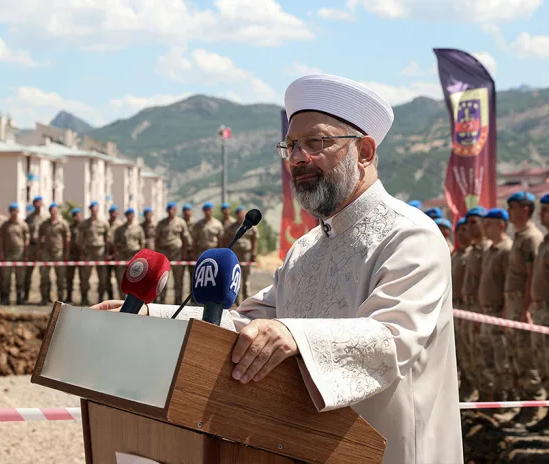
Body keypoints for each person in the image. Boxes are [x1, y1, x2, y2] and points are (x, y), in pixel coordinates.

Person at [95, 74, 463, 463]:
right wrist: (151, 317)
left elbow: (392, 339)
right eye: (291, 146)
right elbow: (248, 323)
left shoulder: (410, 236)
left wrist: (295, 335)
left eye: (316, 143)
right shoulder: (305, 249)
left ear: (366, 152)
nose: (299, 157)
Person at [505, 191, 546, 426]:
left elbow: (531, 277)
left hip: (524, 304)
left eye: (513, 208)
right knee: (516, 357)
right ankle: (525, 406)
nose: (510, 212)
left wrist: (525, 308)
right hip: (514, 304)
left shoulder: (531, 238)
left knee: (529, 358)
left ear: (524, 210)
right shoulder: (520, 237)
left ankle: (535, 407)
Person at [477, 208, 513, 405]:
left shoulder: (507, 249)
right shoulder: (491, 250)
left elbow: (509, 283)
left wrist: (506, 312)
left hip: (499, 312)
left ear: (501, 225)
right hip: (487, 313)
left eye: (489, 223)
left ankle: (506, 399)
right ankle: (494, 398)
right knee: (489, 358)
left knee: (502, 360)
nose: (485, 227)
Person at [460, 206, 492, 401]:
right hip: (467, 307)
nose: (469, 227)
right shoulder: (472, 251)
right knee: (471, 355)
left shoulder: (488, 249)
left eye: (474, 222)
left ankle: (491, 395)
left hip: (481, 308)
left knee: (485, 354)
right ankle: (481, 392)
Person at [527, 193, 549, 432]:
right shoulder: (544, 242)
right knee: (543, 363)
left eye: (546, 210)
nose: (542, 215)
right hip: (541, 309)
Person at [451, 217, 472, 400]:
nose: (463, 233)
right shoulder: (457, 255)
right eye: (460, 230)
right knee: (465, 354)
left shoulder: (473, 253)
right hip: (458, 308)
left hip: (474, 308)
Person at [155, 202, 191, 304]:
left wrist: (184, 253)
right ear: (167, 210)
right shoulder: (161, 223)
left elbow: (185, 239)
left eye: (173, 209)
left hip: (177, 254)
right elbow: (157, 240)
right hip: (164, 253)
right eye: (169, 209)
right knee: (162, 279)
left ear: (176, 210)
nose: (171, 211)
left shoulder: (181, 222)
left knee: (178, 279)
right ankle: (161, 301)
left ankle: (178, 301)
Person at [222, 206, 259, 303]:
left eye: (242, 213)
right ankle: (236, 300)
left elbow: (254, 240)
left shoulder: (251, 227)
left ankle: (246, 299)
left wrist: (254, 254)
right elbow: (225, 238)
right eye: (238, 213)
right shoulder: (232, 226)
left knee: (246, 278)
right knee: (235, 276)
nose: (240, 215)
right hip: (235, 254)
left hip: (246, 255)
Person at [37, 203, 70, 304]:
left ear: (57, 211)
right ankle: (45, 298)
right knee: (44, 276)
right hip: (46, 253)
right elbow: (39, 237)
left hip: (58, 253)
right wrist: (39, 251)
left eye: (55, 210)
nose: (53, 212)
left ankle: (60, 298)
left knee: (60, 277)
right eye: (51, 210)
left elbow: (67, 238)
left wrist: (66, 252)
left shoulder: (63, 223)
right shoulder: (44, 223)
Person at [77, 201, 110, 306]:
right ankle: (84, 297)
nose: (94, 211)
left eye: (96, 209)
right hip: (88, 252)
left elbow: (108, 239)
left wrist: (107, 253)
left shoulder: (104, 223)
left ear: (98, 210)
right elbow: (80, 239)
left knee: (102, 276)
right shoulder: (84, 224)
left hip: (100, 252)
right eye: (92, 210)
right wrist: (82, 252)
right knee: (85, 276)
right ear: (90, 210)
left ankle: (101, 298)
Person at [0, 203, 30, 305]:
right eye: (12, 210)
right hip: (8, 253)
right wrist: (1, 253)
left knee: (19, 278)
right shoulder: (5, 225)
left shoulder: (23, 225)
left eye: (16, 210)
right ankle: (5, 298)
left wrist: (26, 254)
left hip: (19, 253)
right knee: (6, 278)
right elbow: (1, 240)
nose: (14, 212)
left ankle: (19, 297)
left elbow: (26, 241)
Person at [113, 208, 146, 292]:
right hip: (122, 255)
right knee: (121, 277)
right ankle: (122, 297)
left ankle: (133, 297)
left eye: (132, 214)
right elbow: (115, 243)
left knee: (135, 276)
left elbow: (142, 242)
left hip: (134, 255)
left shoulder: (138, 228)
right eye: (128, 214)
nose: (130, 216)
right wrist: (116, 254)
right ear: (126, 216)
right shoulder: (120, 229)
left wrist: (141, 255)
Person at [24, 196, 47, 302]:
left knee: (44, 274)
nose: (38, 204)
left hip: (43, 248)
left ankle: (45, 297)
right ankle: (25, 296)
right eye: (35, 202)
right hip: (32, 247)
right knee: (27, 273)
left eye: (39, 202)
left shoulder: (46, 217)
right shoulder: (29, 219)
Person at [65, 208, 84, 304]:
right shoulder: (70, 227)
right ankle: (68, 296)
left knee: (83, 277)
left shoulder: (85, 226)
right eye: (75, 215)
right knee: (69, 277)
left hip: (83, 255)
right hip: (72, 255)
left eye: (78, 215)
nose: (77, 217)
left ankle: (84, 297)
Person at [104, 205, 122, 300]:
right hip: (106, 252)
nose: (113, 214)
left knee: (119, 277)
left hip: (118, 254)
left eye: (115, 212)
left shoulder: (121, 225)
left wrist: (116, 254)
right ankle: (110, 297)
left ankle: (121, 298)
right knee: (106, 278)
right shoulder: (105, 223)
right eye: (112, 212)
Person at [182, 203, 194, 293]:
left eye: (188, 210)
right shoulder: (180, 223)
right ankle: (178, 300)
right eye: (185, 210)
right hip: (181, 252)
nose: (187, 212)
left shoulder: (196, 224)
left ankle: (193, 298)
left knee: (193, 276)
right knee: (180, 276)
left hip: (193, 252)